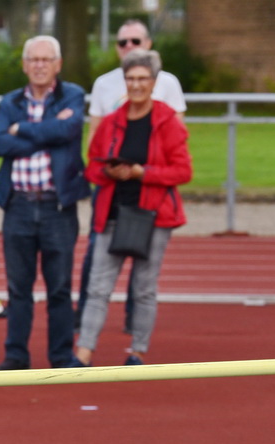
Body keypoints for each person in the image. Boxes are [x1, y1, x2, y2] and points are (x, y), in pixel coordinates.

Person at [75, 50, 192, 367]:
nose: (136, 84)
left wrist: (144, 173)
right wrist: (109, 173)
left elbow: (183, 171)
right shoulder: (112, 122)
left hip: (153, 217)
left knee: (143, 288)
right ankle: (84, 353)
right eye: (131, 79)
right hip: (113, 213)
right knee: (98, 286)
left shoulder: (167, 121)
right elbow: (92, 167)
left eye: (142, 79)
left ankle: (137, 351)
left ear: (154, 82)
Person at [0, 35, 89, 371]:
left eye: (46, 60)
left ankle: (61, 356)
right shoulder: (10, 102)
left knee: (59, 287)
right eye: (34, 59)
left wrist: (23, 130)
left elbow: (68, 131)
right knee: (18, 288)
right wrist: (47, 130)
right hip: (18, 205)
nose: (40, 65)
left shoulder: (72, 95)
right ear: (24, 65)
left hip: (56, 207)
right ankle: (16, 355)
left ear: (58, 65)